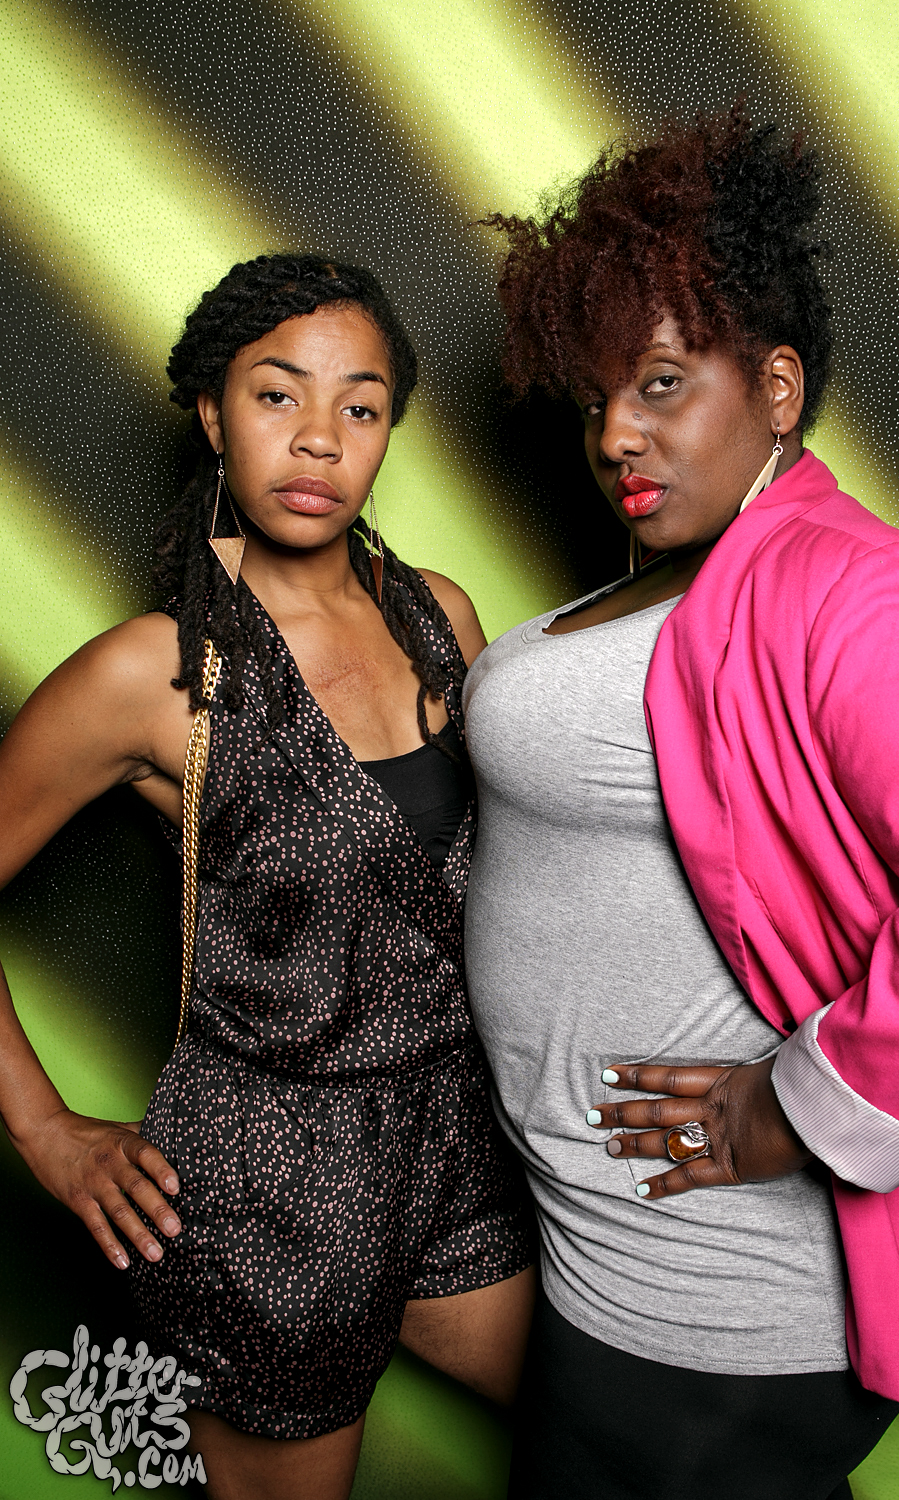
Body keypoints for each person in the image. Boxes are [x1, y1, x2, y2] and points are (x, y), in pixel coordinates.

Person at [463, 108, 899, 1499]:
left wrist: (794, 1110)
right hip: (599, 1271)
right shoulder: (673, 573)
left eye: (659, 384)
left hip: (714, 1305)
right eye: (595, 397)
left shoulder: (855, 587)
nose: (615, 435)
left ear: (774, 386)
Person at [0, 253, 534, 1500]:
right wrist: (43, 1129)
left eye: (360, 406)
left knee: (622, 1425)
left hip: (462, 1146)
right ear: (212, 412)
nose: (318, 438)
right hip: (268, 1197)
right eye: (276, 394)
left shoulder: (439, 618)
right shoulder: (154, 673)